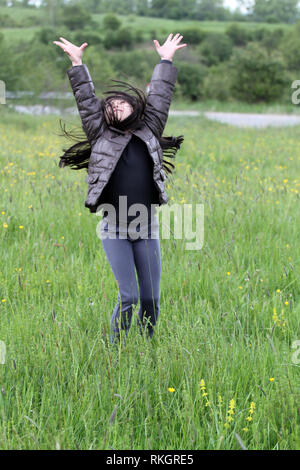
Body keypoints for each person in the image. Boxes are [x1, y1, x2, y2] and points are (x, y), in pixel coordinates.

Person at [53, 33, 186, 345]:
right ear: (105, 114)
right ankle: (118, 349)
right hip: (114, 229)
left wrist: (166, 60)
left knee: (151, 299)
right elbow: (86, 101)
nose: (115, 105)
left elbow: (161, 97)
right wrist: (77, 63)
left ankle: (147, 346)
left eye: (121, 102)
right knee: (129, 297)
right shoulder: (100, 135)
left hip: (147, 227)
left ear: (133, 108)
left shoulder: (149, 129)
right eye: (109, 104)